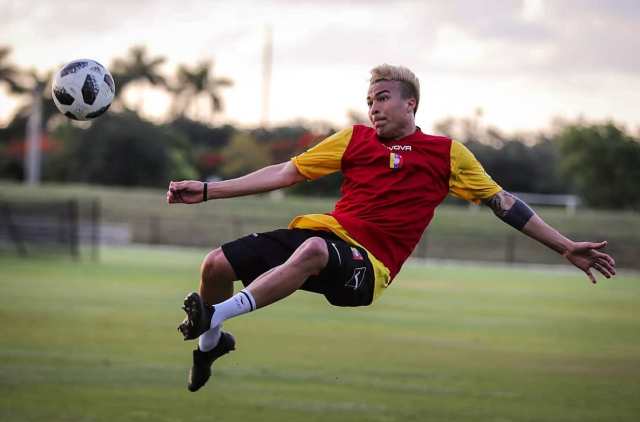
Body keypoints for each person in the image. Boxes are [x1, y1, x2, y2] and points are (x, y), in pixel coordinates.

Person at [166, 64, 616, 392]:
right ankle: (210, 344)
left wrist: (563, 246)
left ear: (409, 103)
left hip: (370, 267)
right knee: (215, 266)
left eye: (382, 98)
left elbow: (505, 204)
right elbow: (285, 173)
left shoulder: (446, 154)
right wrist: (207, 189)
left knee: (314, 253)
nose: (374, 108)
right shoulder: (353, 140)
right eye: (370, 100)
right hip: (325, 233)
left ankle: (217, 315)